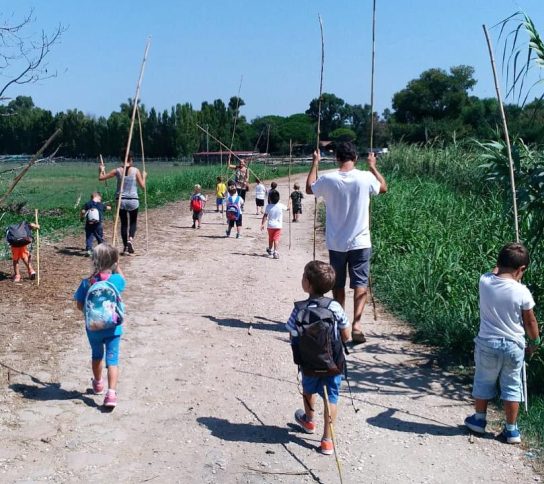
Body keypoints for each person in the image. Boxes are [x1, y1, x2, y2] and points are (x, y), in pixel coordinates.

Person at [306, 141, 387, 344]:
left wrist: (315, 163)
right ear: (355, 158)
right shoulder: (365, 177)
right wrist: (373, 166)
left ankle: (341, 323)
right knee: (360, 283)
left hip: (337, 243)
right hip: (361, 241)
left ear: (337, 158)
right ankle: (357, 325)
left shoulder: (328, 178)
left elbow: (309, 189)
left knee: (338, 284)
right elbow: (383, 188)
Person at [464, 243, 540, 444]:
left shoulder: (485, 281)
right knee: (512, 385)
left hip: (487, 343)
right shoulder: (522, 292)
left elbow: (493, 271)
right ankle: (512, 429)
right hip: (514, 346)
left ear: (498, 263)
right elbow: (530, 321)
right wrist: (535, 341)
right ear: (522, 269)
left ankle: (479, 420)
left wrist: (500, 263)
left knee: (483, 380)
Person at [286, 260, 350, 455]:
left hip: (309, 362)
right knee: (331, 397)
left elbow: (292, 333)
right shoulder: (335, 307)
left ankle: (309, 421)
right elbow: (346, 334)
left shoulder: (299, 308)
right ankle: (327, 441)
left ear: (309, 285)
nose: (302, 279)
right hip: (333, 362)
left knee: (308, 390)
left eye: (304, 276)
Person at [74, 243, 126, 408]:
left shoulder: (87, 282)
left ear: (94, 261)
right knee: (113, 360)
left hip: (93, 327)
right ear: (114, 262)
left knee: (97, 355)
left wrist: (91, 314)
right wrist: (118, 267)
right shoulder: (116, 280)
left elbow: (79, 305)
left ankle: (98, 384)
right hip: (113, 328)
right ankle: (111, 394)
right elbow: (123, 281)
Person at [99, 152, 147, 256]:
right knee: (133, 222)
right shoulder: (136, 171)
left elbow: (101, 178)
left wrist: (101, 170)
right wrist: (144, 177)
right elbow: (143, 187)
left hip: (121, 200)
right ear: (131, 160)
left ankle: (125, 246)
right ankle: (130, 240)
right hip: (133, 199)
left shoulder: (117, 170)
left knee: (124, 223)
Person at [261, 189, 288, 259]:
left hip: (270, 226)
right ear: (278, 198)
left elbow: (265, 216)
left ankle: (270, 249)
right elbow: (288, 208)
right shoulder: (281, 205)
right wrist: (290, 201)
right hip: (278, 226)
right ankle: (275, 252)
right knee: (276, 239)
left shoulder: (268, 206)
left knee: (270, 238)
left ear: (269, 198)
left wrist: (262, 224)